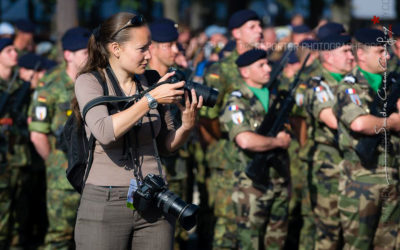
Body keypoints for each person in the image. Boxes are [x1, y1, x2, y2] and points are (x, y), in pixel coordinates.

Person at [73, 12, 203, 250]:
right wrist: (150, 99)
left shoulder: (152, 80)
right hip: (105, 201)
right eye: (142, 49)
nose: (149, 55)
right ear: (116, 48)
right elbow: (105, 131)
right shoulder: (89, 82)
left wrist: (186, 125)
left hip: (155, 199)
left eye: (150, 47)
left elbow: (166, 145)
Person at [199, 10, 263, 249]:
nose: (259, 30)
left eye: (259, 26)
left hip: (259, 156)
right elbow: (207, 117)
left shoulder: (265, 67)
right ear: (236, 33)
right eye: (252, 26)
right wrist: (226, 142)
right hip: (228, 160)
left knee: (255, 227)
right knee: (228, 227)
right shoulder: (222, 69)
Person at [333, 28, 400, 249]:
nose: (387, 55)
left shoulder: (391, 84)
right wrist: (392, 122)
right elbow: (359, 123)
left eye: (387, 50)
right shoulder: (349, 86)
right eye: (380, 50)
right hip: (361, 180)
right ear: (361, 55)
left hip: (392, 176)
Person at [219, 49, 291, 249]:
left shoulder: (275, 96)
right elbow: (245, 140)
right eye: (261, 65)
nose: (268, 68)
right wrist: (278, 142)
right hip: (251, 185)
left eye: (267, 64)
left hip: (279, 179)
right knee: (249, 242)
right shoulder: (236, 101)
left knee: (277, 241)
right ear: (245, 72)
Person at [28, 27, 90, 249]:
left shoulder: (98, 81)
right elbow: (37, 134)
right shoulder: (50, 84)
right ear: (68, 55)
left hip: (94, 176)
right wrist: (55, 163)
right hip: (61, 176)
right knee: (59, 237)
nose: (90, 55)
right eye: (84, 52)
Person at [304, 33, 354, 249]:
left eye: (351, 51)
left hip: (357, 166)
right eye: (345, 51)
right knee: (329, 232)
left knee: (355, 232)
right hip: (330, 166)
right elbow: (333, 120)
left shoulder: (355, 82)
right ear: (328, 56)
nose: (351, 56)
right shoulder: (318, 85)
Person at [148, 17, 190, 249]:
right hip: (150, 173)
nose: (176, 50)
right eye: (169, 45)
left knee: (180, 233)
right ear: (152, 47)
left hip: (179, 165)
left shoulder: (180, 78)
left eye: (177, 44)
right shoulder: (141, 81)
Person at [0, 38, 31, 249]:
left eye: (15, 49)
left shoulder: (22, 85)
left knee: (20, 214)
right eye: (9, 50)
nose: (15, 53)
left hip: (20, 156)